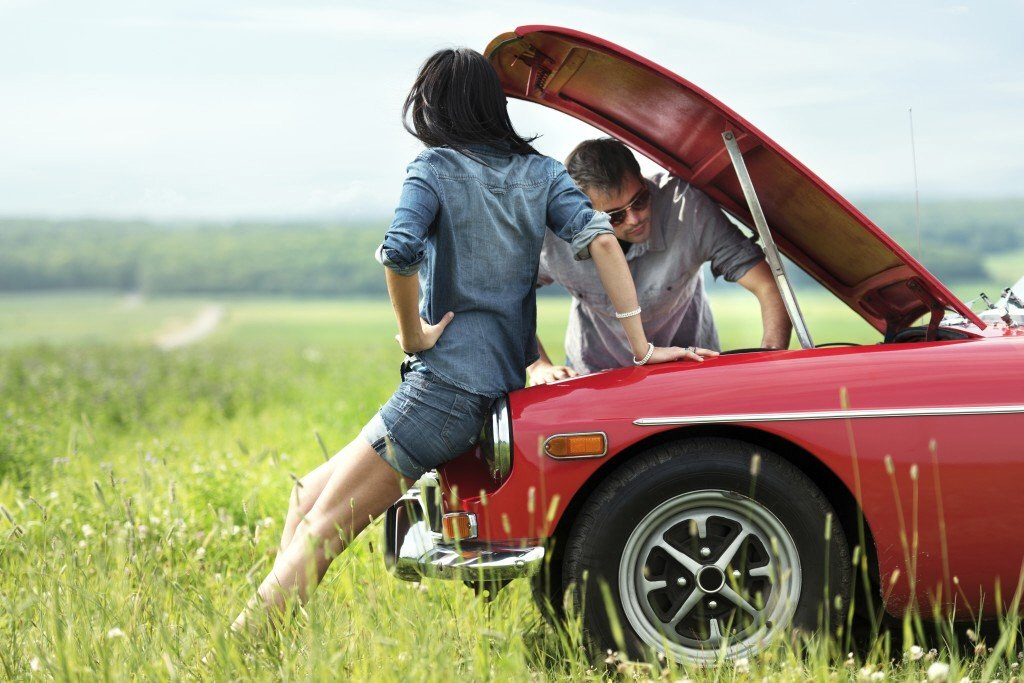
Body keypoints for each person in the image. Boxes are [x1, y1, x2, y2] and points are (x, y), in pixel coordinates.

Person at [227, 49, 699, 636]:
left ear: (433, 106)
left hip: (440, 394)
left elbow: (397, 252)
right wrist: (642, 347)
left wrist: (412, 334)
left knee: (323, 531)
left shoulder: (434, 168)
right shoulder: (543, 172)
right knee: (306, 498)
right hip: (487, 389)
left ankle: (226, 658)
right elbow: (603, 242)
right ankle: (272, 640)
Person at [527, 138, 791, 385]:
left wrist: (770, 359)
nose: (634, 219)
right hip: (594, 376)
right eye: (614, 217)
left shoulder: (689, 209)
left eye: (639, 200)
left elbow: (769, 286)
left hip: (689, 370)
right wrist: (538, 365)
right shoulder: (553, 235)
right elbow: (508, 299)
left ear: (643, 180)